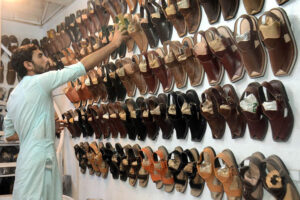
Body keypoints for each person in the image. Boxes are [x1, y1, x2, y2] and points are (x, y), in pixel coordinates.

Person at [3, 25, 128, 200]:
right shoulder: (39, 82)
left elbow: (8, 135)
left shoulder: (13, 96)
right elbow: (80, 67)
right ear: (28, 65)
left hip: (25, 162)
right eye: (40, 56)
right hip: (42, 161)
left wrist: (43, 126)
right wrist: (114, 44)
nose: (46, 59)